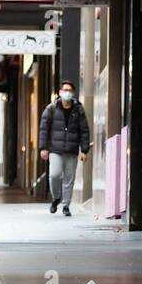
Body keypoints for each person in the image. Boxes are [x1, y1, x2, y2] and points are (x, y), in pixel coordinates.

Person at [38, 81, 90, 216]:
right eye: (64, 90)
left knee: (69, 178)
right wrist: (43, 147)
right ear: (60, 92)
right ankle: (56, 198)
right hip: (55, 149)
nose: (67, 92)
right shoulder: (51, 108)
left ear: (72, 93)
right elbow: (44, 129)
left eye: (69, 90)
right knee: (54, 175)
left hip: (72, 150)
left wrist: (84, 150)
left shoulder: (78, 109)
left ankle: (66, 205)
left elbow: (84, 130)